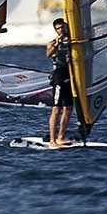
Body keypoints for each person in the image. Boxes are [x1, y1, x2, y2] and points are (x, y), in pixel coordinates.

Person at [47, 17, 75, 148]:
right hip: (59, 75)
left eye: (62, 27)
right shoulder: (53, 42)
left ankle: (61, 137)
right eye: (58, 28)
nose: (61, 30)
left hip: (71, 75)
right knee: (56, 108)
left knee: (68, 108)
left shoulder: (72, 41)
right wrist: (57, 44)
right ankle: (52, 140)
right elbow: (48, 53)